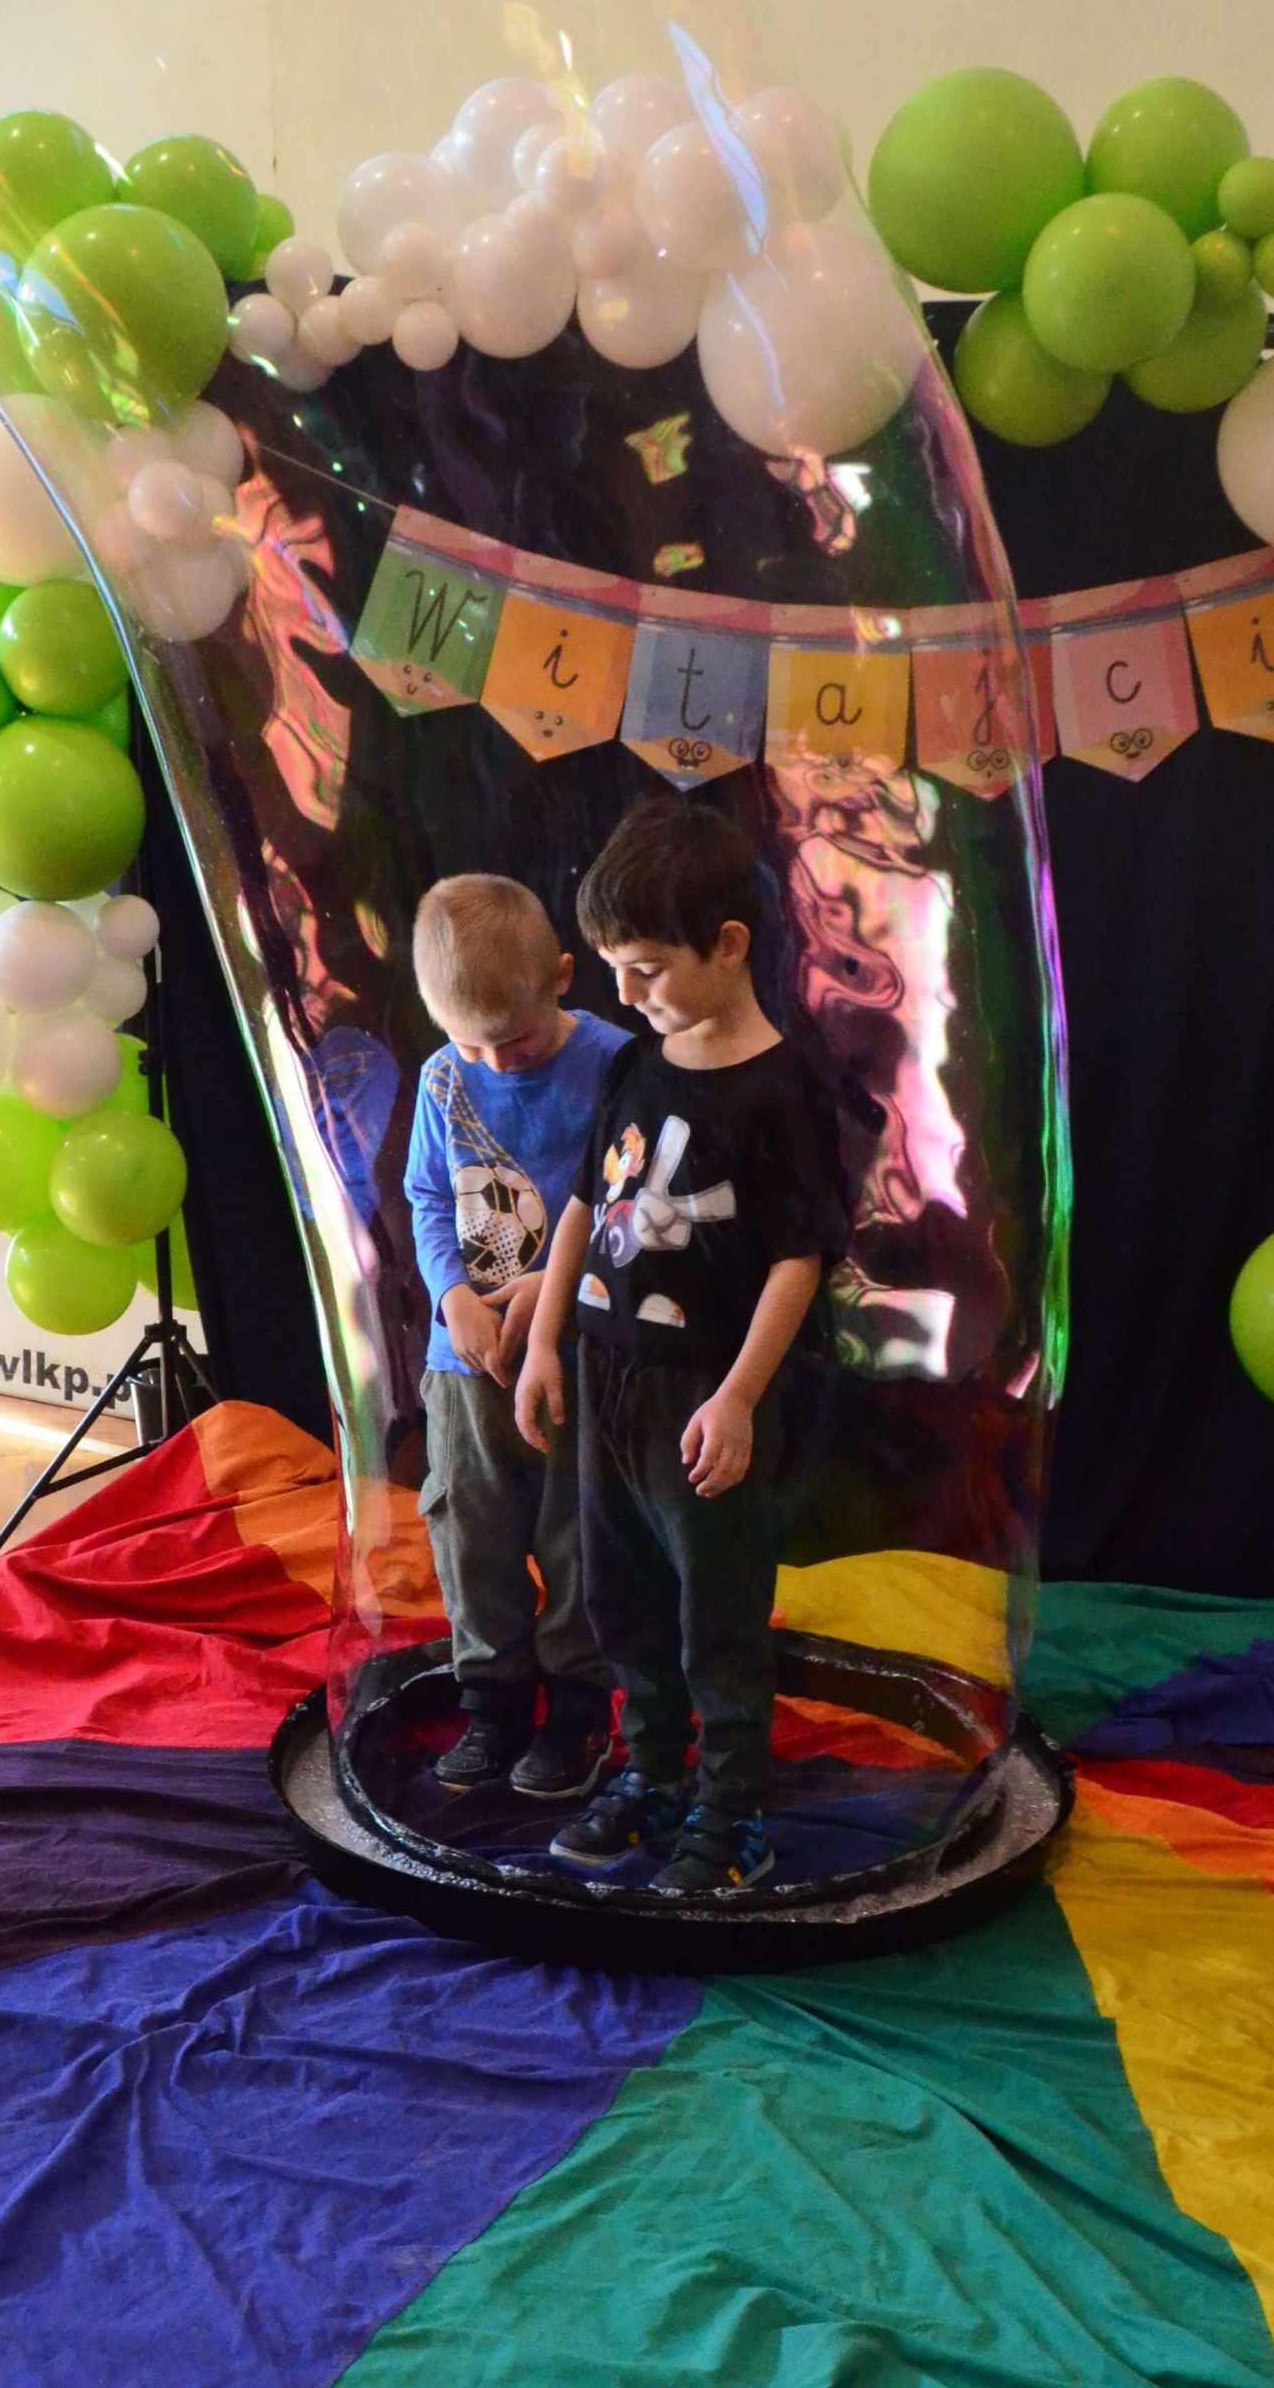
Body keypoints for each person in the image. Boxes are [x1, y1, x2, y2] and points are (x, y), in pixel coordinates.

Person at [515, 801, 849, 1892]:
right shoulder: (632, 1064)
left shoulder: (783, 1090)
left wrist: (740, 1396)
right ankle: (654, 1773)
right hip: (607, 1381)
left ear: (729, 944)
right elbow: (584, 1204)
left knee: (716, 1608)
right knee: (621, 1597)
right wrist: (543, 1344)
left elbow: (798, 1258)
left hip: (706, 1394)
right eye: (615, 967)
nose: (625, 993)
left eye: (648, 968)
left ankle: (732, 1805)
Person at [405, 875, 628, 1796]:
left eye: (519, 1041)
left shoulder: (615, 1065)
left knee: (577, 1530)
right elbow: (428, 1197)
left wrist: (555, 1286)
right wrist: (452, 1295)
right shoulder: (442, 1077)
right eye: (472, 1044)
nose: (496, 1063)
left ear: (563, 977)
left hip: (579, 1356)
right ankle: (492, 1702)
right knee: (472, 1528)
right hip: (467, 1362)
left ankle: (578, 1710)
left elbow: (633, 1209)